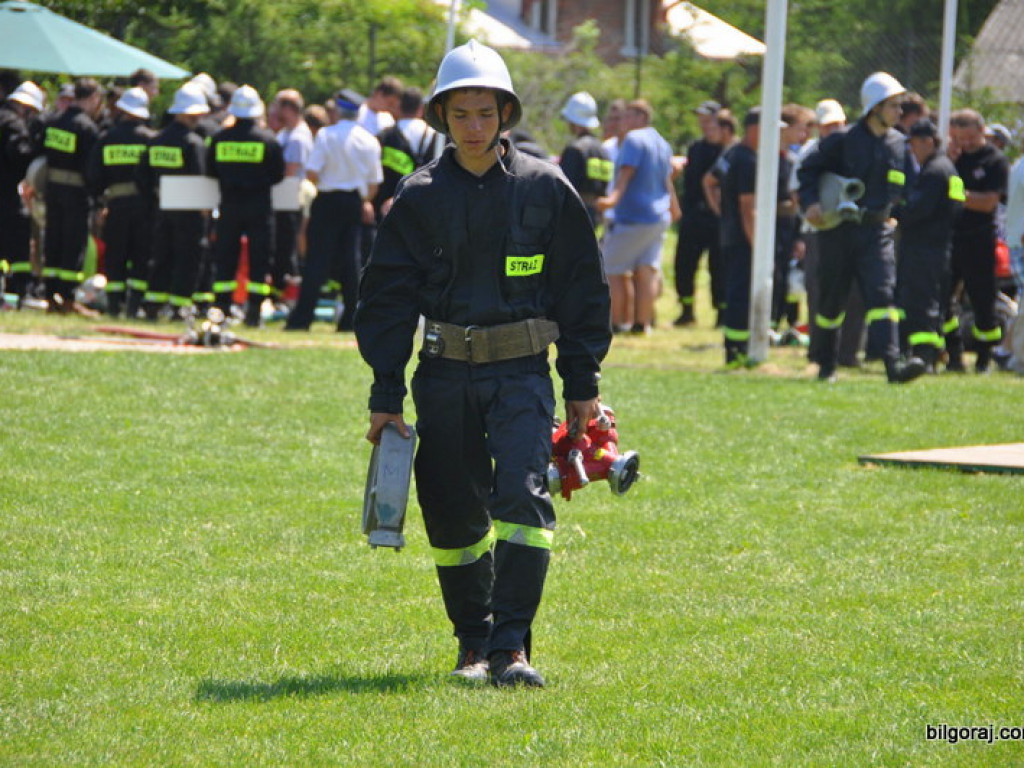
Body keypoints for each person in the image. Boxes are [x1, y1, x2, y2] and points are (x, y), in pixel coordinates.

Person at [354, 39, 611, 688]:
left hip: (523, 374)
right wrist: (385, 395)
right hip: (442, 376)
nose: (473, 127)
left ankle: (512, 648)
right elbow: (386, 300)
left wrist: (582, 383)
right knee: (452, 511)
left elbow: (583, 291)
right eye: (461, 114)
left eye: (485, 113)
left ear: (506, 115)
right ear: (442, 116)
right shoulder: (418, 196)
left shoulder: (546, 188)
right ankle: (472, 645)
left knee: (522, 498)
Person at [798, 72, 926, 384]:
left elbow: (908, 186)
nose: (899, 112)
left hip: (876, 232)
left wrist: (898, 213)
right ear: (875, 107)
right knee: (832, 300)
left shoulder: (898, 144)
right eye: (893, 105)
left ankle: (893, 366)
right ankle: (826, 365)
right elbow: (808, 171)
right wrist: (811, 204)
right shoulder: (841, 141)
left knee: (883, 296)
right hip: (839, 232)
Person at [285, 89, 381, 332]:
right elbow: (373, 184)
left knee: (317, 260)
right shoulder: (369, 140)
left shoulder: (326, 135)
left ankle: (302, 318)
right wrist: (362, 199)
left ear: (338, 110)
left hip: (327, 200)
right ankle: (351, 318)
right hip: (354, 202)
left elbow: (312, 172)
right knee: (352, 262)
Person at [705, 108, 787, 366]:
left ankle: (736, 348)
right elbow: (747, 208)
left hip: (731, 235)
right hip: (743, 240)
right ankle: (736, 351)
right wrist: (758, 247)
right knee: (740, 295)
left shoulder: (732, 153)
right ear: (755, 129)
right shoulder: (748, 160)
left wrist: (722, 213)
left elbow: (709, 181)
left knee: (736, 292)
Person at [596, 99, 680, 334]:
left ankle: (616, 323)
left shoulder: (633, 139)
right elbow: (667, 179)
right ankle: (642, 324)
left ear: (641, 117)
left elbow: (626, 174)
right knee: (646, 271)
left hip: (633, 217)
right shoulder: (661, 142)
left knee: (612, 270)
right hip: (658, 218)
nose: (622, 122)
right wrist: (674, 207)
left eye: (627, 116)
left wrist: (611, 200)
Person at [207, 85, 285, 326]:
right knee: (259, 258)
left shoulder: (219, 139)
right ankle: (253, 312)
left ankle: (221, 308)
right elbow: (278, 175)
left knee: (225, 257)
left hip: (229, 206)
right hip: (259, 207)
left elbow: (211, 170)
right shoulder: (268, 140)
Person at [894, 119, 964, 371]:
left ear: (927, 142)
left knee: (921, 303)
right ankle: (954, 354)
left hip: (923, 248)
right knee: (943, 305)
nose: (912, 150)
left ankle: (924, 357)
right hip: (941, 246)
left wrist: (895, 210)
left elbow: (916, 210)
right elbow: (957, 207)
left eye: (913, 144)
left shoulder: (933, 173)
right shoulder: (948, 168)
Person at [136, 82, 210, 319]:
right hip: (188, 208)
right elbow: (200, 179)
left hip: (163, 205)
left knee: (162, 256)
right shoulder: (193, 143)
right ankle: (180, 307)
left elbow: (142, 177)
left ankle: (152, 305)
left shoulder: (156, 140)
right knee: (187, 257)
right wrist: (205, 211)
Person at [945, 108, 1008, 373]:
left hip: (980, 239)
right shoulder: (951, 158)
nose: (966, 143)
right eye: (960, 138)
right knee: (943, 298)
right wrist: (947, 162)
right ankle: (953, 354)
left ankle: (984, 358)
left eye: (970, 137)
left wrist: (955, 193)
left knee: (983, 301)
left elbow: (988, 202)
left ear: (982, 131)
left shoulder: (994, 160)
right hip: (951, 237)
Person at [86, 87, 156, 317]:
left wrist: (100, 205)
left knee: (116, 255)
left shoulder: (107, 139)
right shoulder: (151, 140)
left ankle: (114, 306)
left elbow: (94, 177)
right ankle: (134, 306)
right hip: (145, 207)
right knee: (141, 255)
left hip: (115, 206)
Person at [40, 77, 103, 311]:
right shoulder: (86, 127)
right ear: (93, 98)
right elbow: (91, 169)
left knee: (53, 240)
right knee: (73, 244)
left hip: (52, 189)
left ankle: (49, 295)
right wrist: (98, 198)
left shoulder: (53, 121)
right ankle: (67, 298)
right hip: (76, 193)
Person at [673, 100, 723, 327]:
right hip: (694, 216)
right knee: (684, 265)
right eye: (701, 119)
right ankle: (687, 311)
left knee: (719, 267)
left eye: (708, 119)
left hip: (718, 218)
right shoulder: (695, 148)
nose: (704, 124)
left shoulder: (728, 150)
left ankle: (722, 313)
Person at [0, 81, 45, 304]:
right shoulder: (13, 124)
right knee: (17, 241)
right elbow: (18, 154)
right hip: (6, 194)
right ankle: (22, 291)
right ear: (25, 108)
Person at [270, 88, 313, 304]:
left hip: (291, 198)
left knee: (287, 249)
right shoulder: (286, 133)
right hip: (283, 197)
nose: (273, 110)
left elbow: (289, 171)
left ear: (288, 109)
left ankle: (286, 295)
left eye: (277, 106)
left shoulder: (298, 138)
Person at [557, 91, 612, 227]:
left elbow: (563, 188)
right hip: (596, 216)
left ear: (573, 121)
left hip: (574, 216)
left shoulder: (575, 149)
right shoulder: (603, 150)